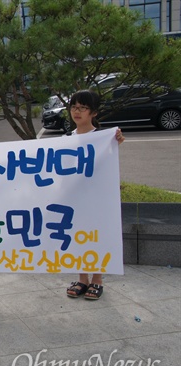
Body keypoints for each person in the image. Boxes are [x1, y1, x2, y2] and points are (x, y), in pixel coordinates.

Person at [65, 89, 125, 300]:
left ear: (94, 113)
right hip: (75, 199)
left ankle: (97, 280)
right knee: (78, 237)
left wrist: (116, 140)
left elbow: (109, 165)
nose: (77, 111)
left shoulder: (103, 137)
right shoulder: (65, 139)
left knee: (96, 237)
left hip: (97, 200)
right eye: (74, 107)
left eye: (83, 107)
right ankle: (82, 279)